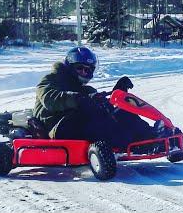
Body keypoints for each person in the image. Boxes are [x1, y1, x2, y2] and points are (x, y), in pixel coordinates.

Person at [33, 46, 167, 150]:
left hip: (75, 123)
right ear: (70, 67)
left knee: (120, 112)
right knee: (97, 119)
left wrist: (118, 92)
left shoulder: (84, 89)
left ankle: (152, 137)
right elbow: (50, 99)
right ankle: (133, 144)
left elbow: (104, 107)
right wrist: (79, 99)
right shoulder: (52, 79)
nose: (84, 72)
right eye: (80, 68)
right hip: (56, 127)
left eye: (88, 70)